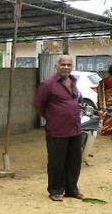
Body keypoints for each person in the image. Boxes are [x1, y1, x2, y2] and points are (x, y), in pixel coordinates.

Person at [33, 55, 84, 202]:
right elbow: (38, 104)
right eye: (63, 64)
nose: (66, 67)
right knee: (57, 162)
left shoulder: (73, 82)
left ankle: (72, 190)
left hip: (75, 128)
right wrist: (51, 117)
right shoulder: (47, 84)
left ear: (72, 67)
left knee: (74, 161)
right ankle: (55, 190)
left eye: (69, 65)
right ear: (56, 66)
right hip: (57, 130)